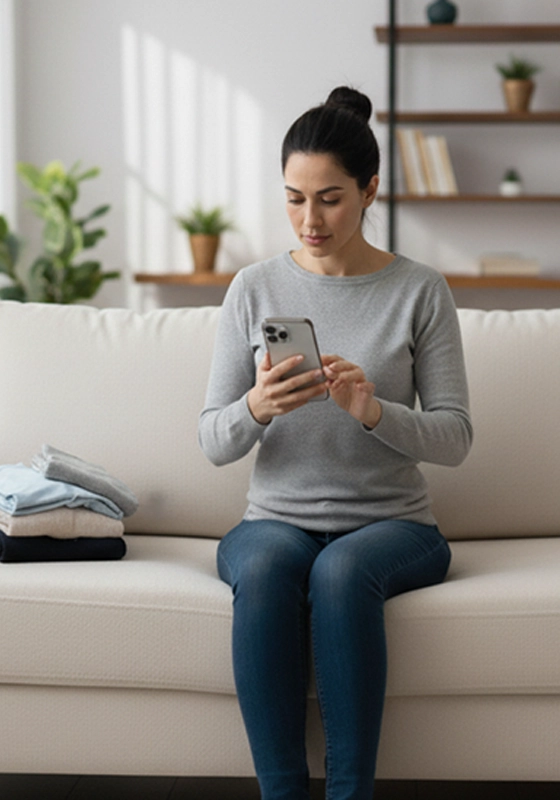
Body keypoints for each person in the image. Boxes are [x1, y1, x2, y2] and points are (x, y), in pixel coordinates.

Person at [198, 86, 473, 800]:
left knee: (341, 574)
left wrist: (373, 410)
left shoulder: (420, 290)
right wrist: (256, 406)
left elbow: (455, 437)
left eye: (329, 199)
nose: (308, 220)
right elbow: (211, 440)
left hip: (392, 525)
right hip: (276, 521)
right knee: (265, 572)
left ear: (369, 189)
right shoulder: (253, 289)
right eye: (293, 199)